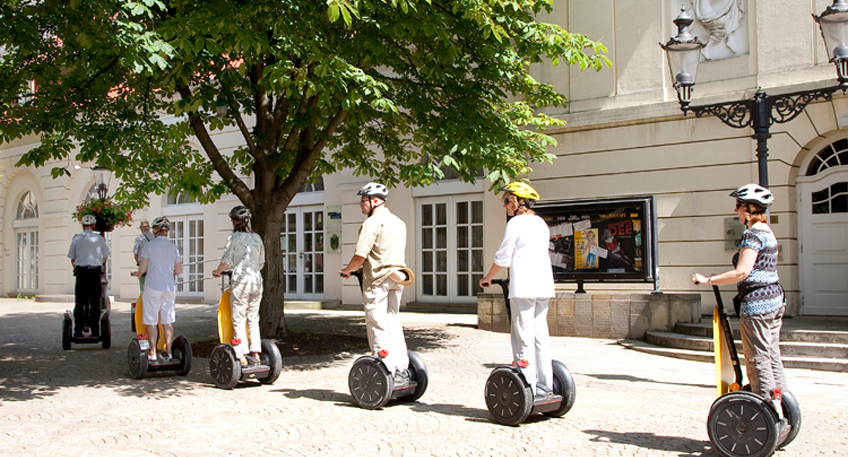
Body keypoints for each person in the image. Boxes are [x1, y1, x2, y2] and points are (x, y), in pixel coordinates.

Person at [692, 183, 789, 424]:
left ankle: (767, 411)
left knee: (757, 358)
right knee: (771, 355)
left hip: (758, 305)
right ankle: (781, 402)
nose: (736, 210)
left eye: (738, 206)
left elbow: (741, 272)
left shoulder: (753, 234)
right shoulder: (768, 231)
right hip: (775, 300)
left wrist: (708, 280)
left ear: (750, 209)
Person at [479, 182, 556, 402]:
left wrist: (488, 277)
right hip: (543, 285)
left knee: (522, 335)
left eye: (506, 201)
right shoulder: (541, 223)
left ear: (517, 202)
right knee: (540, 335)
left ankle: (527, 383)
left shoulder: (516, 223)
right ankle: (545, 385)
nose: (505, 206)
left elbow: (503, 256)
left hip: (523, 287)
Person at [339, 182, 413, 386]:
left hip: (378, 280)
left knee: (377, 323)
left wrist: (347, 270)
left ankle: (385, 366)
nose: (360, 204)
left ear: (376, 201)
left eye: (364, 200)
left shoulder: (371, 224)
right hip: (397, 277)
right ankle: (402, 368)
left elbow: (360, 256)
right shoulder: (398, 222)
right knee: (393, 322)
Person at [212, 206, 266, 366]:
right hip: (256, 281)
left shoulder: (233, 238)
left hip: (241, 282)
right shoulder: (257, 238)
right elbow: (261, 262)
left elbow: (227, 261)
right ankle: (256, 353)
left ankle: (242, 356)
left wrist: (217, 272)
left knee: (239, 318)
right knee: (253, 318)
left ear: (234, 221)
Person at [132, 217, 182, 361]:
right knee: (167, 321)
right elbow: (178, 270)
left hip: (152, 286)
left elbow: (142, 269)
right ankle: (169, 351)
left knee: (152, 321)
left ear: (155, 230)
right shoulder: (173, 247)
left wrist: (137, 274)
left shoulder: (149, 246)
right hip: (168, 287)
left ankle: (153, 352)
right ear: (167, 231)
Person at [67, 214, 110, 337]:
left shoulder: (76, 238)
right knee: (95, 302)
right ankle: (95, 331)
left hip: (81, 273)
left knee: (80, 302)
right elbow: (105, 257)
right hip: (94, 273)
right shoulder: (99, 239)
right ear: (93, 225)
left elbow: (72, 258)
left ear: (83, 225)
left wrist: (75, 268)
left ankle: (78, 331)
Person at [132, 220, 155, 292]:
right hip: (154, 265)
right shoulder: (155, 238)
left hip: (143, 265)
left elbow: (136, 254)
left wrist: (139, 264)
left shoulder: (139, 239)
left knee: (143, 289)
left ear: (141, 229)